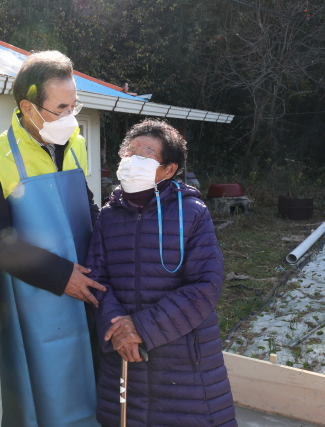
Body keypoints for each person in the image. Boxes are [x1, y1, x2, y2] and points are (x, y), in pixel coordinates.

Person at [0, 50, 103, 427]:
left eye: (75, 105)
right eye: (61, 108)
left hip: (88, 284)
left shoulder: (74, 143)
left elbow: (88, 208)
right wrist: (62, 276)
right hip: (34, 296)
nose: (71, 117)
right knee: (40, 391)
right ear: (28, 107)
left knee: (93, 381)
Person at [86, 119, 237, 427]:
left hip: (183, 362)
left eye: (146, 154)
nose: (132, 160)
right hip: (124, 354)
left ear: (169, 170)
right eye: (129, 152)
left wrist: (139, 328)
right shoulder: (108, 217)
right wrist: (120, 328)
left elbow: (205, 286)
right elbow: (97, 279)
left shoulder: (192, 213)